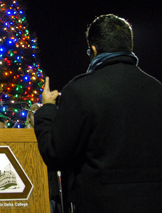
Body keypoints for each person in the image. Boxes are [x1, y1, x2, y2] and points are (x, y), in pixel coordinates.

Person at [34, 14, 162, 212]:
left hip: (100, 203)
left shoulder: (81, 90)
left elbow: (56, 153)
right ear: (129, 46)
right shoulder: (156, 89)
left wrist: (47, 109)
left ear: (93, 49)